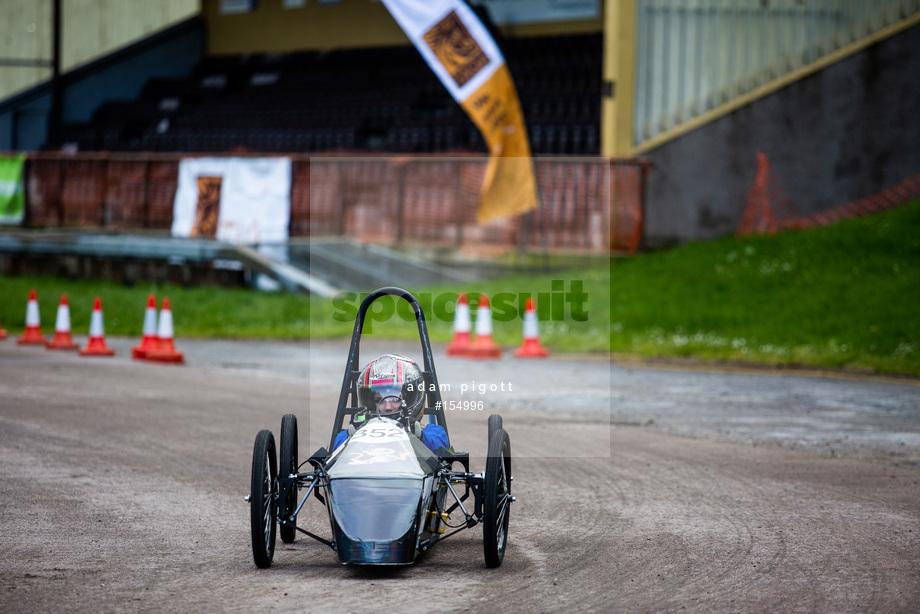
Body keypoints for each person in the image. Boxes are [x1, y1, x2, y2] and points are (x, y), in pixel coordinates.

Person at [333, 354, 450, 454]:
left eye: (395, 399)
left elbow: (440, 445)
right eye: (379, 400)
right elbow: (336, 447)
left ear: (409, 399)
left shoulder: (432, 432)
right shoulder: (360, 431)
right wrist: (351, 437)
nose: (388, 407)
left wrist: (418, 436)